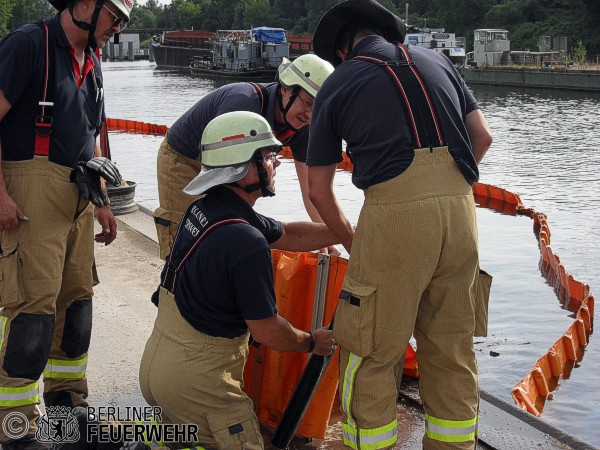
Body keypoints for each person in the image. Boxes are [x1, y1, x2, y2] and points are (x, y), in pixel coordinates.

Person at [306, 0, 494, 449]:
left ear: (343, 50)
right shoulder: (439, 61)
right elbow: (482, 137)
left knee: (369, 351)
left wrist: (356, 242)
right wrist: (447, 187)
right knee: (451, 346)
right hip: (460, 213)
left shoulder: (339, 83)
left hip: (395, 216)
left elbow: (317, 190)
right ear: (388, 33)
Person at [139, 111, 338, 450]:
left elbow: (289, 233)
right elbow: (267, 330)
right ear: (243, 168)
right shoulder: (245, 242)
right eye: (268, 157)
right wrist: (311, 341)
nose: (276, 164)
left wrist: (347, 233)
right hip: (200, 386)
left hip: (157, 369)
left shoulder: (204, 209)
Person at [0, 0, 132, 448]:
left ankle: (67, 412)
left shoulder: (91, 59)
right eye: (115, 16)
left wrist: (102, 202)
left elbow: (90, 136)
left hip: (76, 193)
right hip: (28, 189)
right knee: (32, 311)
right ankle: (15, 426)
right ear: (86, 5)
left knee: (76, 306)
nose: (118, 27)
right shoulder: (28, 46)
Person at [153, 53, 336, 260]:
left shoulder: (303, 127)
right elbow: (221, 178)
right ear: (285, 89)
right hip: (183, 158)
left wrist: (326, 238)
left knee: (226, 238)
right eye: (307, 103)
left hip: (230, 169)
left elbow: (311, 190)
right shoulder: (244, 102)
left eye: (318, 109)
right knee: (188, 234)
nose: (310, 115)